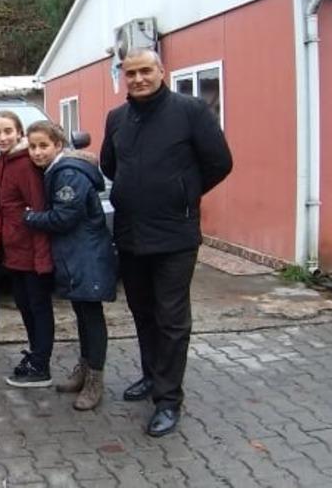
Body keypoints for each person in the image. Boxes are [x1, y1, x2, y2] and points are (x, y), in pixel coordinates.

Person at [100, 48, 233, 437]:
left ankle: (169, 400)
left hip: (176, 234)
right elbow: (110, 164)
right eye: (131, 73)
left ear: (161, 71)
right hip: (130, 233)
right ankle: (151, 376)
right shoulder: (117, 118)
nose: (138, 79)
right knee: (142, 313)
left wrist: (183, 192)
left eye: (145, 71)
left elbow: (220, 162)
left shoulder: (189, 110)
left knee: (171, 318)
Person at [23, 121, 116, 411]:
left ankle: (95, 381)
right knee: (81, 313)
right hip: (74, 255)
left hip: (86, 255)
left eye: (43, 146)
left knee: (91, 316)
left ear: (58, 146)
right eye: (32, 146)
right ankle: (84, 369)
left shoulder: (68, 175)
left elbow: (64, 218)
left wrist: (29, 217)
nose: (37, 152)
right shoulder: (56, 170)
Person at [0, 110, 54, 388]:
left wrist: (42, 260)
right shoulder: (4, 161)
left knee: (38, 308)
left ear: (19, 133)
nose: (2, 137)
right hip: (14, 252)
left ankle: (41, 366)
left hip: (31, 253)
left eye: (7, 131)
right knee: (25, 307)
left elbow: (37, 209)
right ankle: (35, 354)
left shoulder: (25, 165)